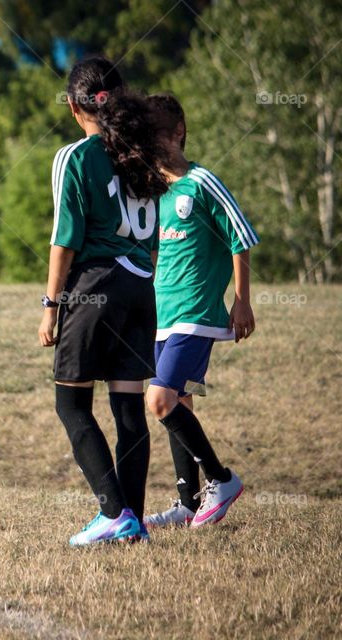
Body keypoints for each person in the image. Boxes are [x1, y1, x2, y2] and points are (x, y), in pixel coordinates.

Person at [38, 56, 168, 546]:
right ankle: (132, 520)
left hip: (96, 286)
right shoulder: (141, 152)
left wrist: (51, 305)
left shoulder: (74, 156)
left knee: (70, 403)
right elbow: (152, 238)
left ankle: (114, 513)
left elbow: (64, 241)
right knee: (128, 410)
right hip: (141, 284)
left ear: (74, 108)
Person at [143, 94, 257, 529]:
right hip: (163, 316)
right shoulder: (154, 191)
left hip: (196, 314)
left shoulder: (202, 181)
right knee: (181, 401)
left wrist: (242, 300)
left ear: (178, 132)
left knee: (159, 400)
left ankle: (221, 479)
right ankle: (187, 504)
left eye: (157, 135)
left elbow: (240, 236)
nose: (150, 145)